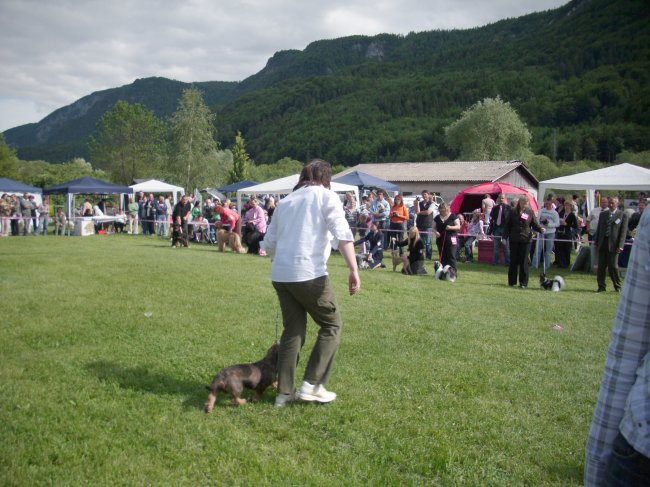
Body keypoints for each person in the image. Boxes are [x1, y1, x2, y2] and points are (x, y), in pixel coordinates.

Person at [262, 159, 360, 407]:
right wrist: (353, 268)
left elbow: (269, 243)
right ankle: (312, 385)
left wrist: (283, 260)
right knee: (332, 325)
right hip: (309, 273)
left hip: (281, 275)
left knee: (293, 331)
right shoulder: (326, 197)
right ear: (326, 179)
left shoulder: (285, 202)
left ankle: (284, 394)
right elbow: (342, 234)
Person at [585, 208, 650, 486]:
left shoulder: (625, 216)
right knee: (604, 269)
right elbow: (629, 344)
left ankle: (612, 282)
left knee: (612, 268)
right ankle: (602, 284)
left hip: (638, 447)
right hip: (640, 445)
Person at [505, 196, 544, 288]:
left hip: (526, 239)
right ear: (519, 203)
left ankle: (523, 283)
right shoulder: (512, 211)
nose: (524, 205)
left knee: (524, 261)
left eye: (525, 204)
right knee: (513, 261)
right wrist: (504, 237)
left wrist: (540, 229)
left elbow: (534, 224)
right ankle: (512, 282)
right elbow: (507, 225)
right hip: (514, 239)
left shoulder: (530, 212)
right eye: (522, 203)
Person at [594, 196, 629, 293]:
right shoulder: (603, 214)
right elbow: (599, 229)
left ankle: (617, 286)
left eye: (612, 203)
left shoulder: (622, 215)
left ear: (617, 204)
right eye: (609, 203)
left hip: (614, 245)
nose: (610, 204)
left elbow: (623, 232)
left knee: (613, 266)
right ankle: (601, 286)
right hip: (603, 244)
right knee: (601, 267)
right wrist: (597, 243)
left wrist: (620, 246)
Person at [532, 197, 560, 270]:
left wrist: (549, 224)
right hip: (541, 232)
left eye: (549, 203)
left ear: (552, 204)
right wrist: (540, 224)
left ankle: (547, 266)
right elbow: (537, 220)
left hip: (551, 233)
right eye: (546, 203)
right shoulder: (541, 211)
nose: (547, 204)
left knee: (548, 250)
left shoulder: (555, 213)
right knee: (538, 248)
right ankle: (535, 265)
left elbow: (557, 224)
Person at [433, 203, 461, 272]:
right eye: (441, 211)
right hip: (440, 240)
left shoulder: (453, 216)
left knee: (451, 256)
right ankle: (443, 272)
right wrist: (436, 232)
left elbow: (458, 227)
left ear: (447, 210)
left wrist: (451, 227)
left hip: (451, 239)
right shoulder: (437, 217)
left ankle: (453, 272)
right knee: (442, 256)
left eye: (443, 211)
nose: (442, 212)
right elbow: (433, 228)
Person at [587, 195, 608, 271]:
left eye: (605, 202)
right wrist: (588, 227)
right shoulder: (594, 210)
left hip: (602, 234)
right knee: (591, 249)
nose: (603, 203)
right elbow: (588, 220)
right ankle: (591, 264)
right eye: (602, 202)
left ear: (607, 203)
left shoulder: (609, 211)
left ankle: (599, 265)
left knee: (600, 250)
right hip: (592, 232)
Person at [555, 200, 578, 268]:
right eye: (565, 205)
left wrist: (567, 224)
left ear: (571, 207)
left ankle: (566, 263)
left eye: (568, 205)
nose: (566, 207)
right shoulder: (561, 213)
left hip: (567, 233)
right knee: (559, 248)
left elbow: (575, 226)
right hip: (560, 232)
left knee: (567, 248)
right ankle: (560, 263)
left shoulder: (572, 215)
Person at [489, 194, 511, 266]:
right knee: (496, 247)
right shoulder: (495, 208)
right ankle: (496, 262)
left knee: (507, 247)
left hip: (506, 230)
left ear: (505, 199)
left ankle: (507, 262)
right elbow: (492, 219)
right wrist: (491, 231)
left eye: (502, 198)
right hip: (497, 229)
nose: (501, 199)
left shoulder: (509, 208)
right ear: (498, 199)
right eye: (500, 198)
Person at [415, 190, 435, 260]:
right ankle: (420, 256)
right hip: (419, 225)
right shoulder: (420, 203)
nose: (424, 196)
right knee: (420, 242)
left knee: (428, 243)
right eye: (423, 195)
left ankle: (428, 257)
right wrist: (416, 203)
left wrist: (419, 212)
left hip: (428, 226)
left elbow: (428, 212)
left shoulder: (432, 203)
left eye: (425, 194)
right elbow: (416, 211)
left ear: (428, 195)